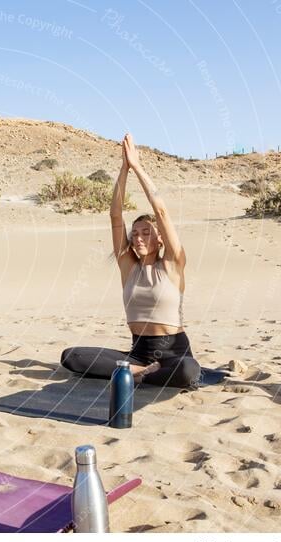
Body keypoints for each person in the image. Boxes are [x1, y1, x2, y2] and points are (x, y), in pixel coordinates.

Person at [60, 134, 201, 388]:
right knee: (72, 356)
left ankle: (135, 373)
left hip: (173, 351)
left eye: (146, 232)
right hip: (139, 351)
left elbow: (161, 212)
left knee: (188, 370)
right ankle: (144, 371)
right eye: (134, 233)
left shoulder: (172, 264)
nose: (138, 238)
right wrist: (123, 170)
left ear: (160, 239)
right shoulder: (129, 266)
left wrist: (136, 166)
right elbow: (115, 215)